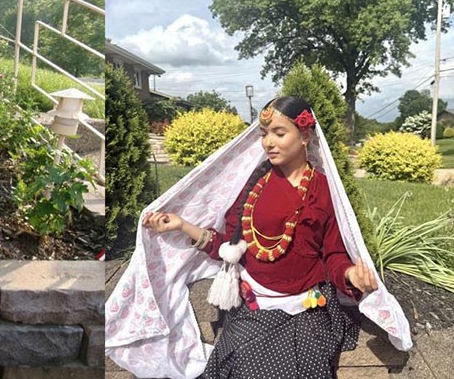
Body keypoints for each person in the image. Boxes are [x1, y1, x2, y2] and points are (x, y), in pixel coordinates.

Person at [105, 96, 412, 378]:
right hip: (253, 304)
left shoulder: (321, 189)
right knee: (237, 363)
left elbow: (332, 253)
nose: (268, 142)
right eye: (265, 133)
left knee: (304, 364)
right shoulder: (253, 186)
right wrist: (182, 225)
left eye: (279, 133)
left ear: (305, 136)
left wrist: (349, 273)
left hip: (306, 307)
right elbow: (229, 246)